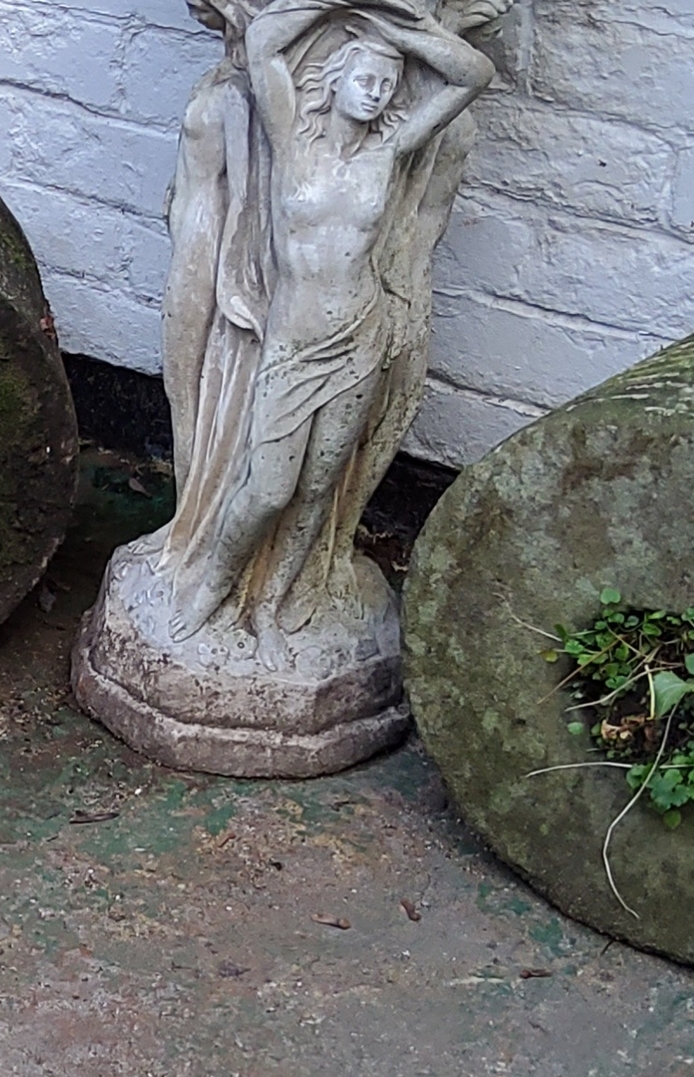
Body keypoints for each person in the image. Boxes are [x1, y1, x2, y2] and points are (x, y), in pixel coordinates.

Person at [154, 0, 492, 662]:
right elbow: (262, 47)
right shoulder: (292, 143)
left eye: (388, 84)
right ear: (332, 78)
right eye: (364, 75)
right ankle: (209, 595)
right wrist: (341, 4)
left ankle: (275, 608)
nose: (376, 89)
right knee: (267, 487)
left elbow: (471, 74)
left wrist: (398, 28)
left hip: (360, 339)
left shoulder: (390, 152)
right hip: (294, 345)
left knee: (316, 487)